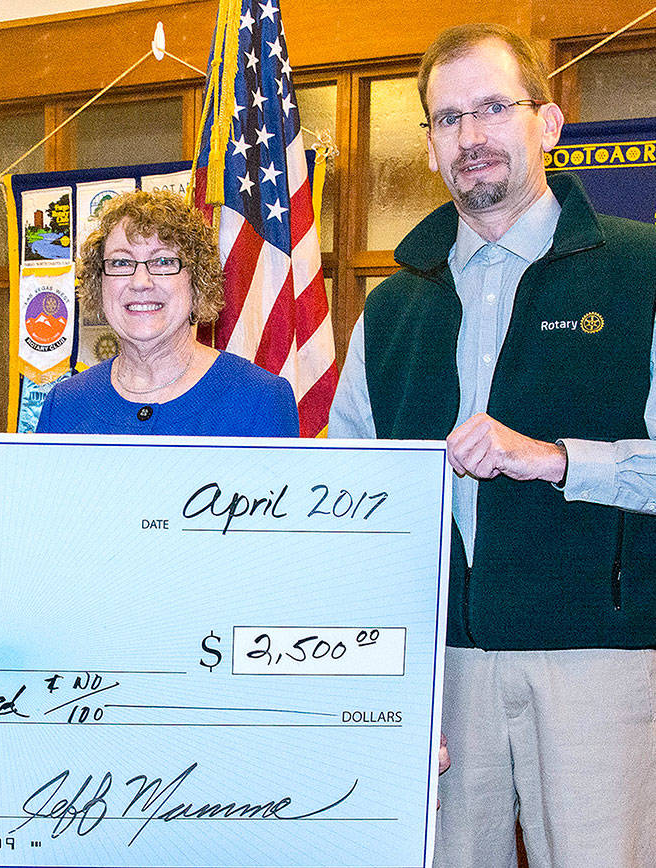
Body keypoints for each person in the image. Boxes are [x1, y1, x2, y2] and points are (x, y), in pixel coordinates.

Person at [328, 24, 656, 868]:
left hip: (595, 661)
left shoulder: (642, 272)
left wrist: (552, 459)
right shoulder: (390, 309)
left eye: (492, 108)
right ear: (431, 147)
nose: (471, 137)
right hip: (442, 675)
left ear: (548, 122)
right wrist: (382, 677)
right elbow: (352, 503)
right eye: (447, 119)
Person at [35, 189, 297, 436]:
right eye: (121, 262)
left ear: (197, 280)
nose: (140, 282)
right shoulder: (63, 407)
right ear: (98, 280)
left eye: (163, 261)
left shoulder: (261, 400)